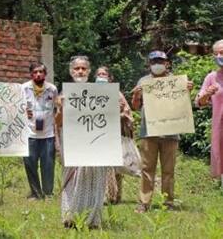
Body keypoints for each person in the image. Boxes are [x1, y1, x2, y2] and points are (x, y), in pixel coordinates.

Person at [131, 50, 193, 212]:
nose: (157, 64)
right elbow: (136, 106)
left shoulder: (177, 81)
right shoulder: (143, 81)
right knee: (147, 168)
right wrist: (137, 95)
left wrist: (187, 91)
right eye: (154, 61)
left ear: (167, 63)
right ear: (149, 64)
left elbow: (183, 105)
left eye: (160, 61)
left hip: (171, 132)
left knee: (168, 170)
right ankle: (144, 202)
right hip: (148, 132)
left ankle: (168, 202)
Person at [56, 56, 108, 229]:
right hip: (74, 145)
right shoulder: (64, 94)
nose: (80, 71)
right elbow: (58, 122)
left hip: (96, 144)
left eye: (83, 68)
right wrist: (62, 108)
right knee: (73, 179)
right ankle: (70, 218)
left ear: (89, 71)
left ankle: (92, 219)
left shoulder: (100, 94)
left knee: (94, 178)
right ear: (71, 71)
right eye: (76, 68)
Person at [95, 66, 132, 204]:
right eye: (98, 74)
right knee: (100, 166)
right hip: (96, 135)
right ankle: (101, 195)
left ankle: (115, 195)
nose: (101, 76)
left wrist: (119, 114)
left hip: (113, 134)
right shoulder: (90, 93)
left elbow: (127, 113)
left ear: (110, 78)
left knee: (114, 166)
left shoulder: (117, 94)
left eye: (104, 74)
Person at [21, 62, 58, 200]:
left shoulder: (52, 89)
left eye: (41, 72)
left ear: (45, 74)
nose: (38, 74)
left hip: (48, 134)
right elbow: (16, 107)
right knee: (30, 164)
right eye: (35, 72)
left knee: (48, 164)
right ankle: (36, 193)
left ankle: (48, 193)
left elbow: (57, 108)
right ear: (31, 74)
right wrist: (23, 111)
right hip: (29, 134)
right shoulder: (24, 88)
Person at [195, 39, 223, 188]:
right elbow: (198, 102)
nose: (219, 56)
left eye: (222, 52)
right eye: (216, 53)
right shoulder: (212, 78)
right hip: (220, 127)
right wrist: (206, 95)